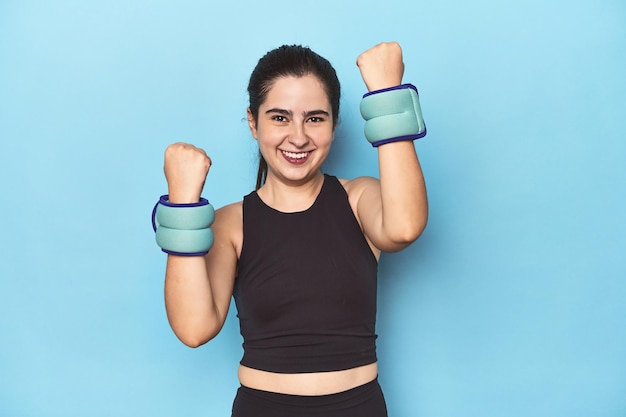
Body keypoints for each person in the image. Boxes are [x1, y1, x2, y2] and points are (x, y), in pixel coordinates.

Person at [156, 41, 428, 416]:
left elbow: (404, 228)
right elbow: (193, 328)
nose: (298, 137)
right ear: (253, 122)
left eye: (315, 118)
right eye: (279, 118)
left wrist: (386, 94)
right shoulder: (230, 223)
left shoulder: (358, 198)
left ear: (335, 124)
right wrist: (183, 205)